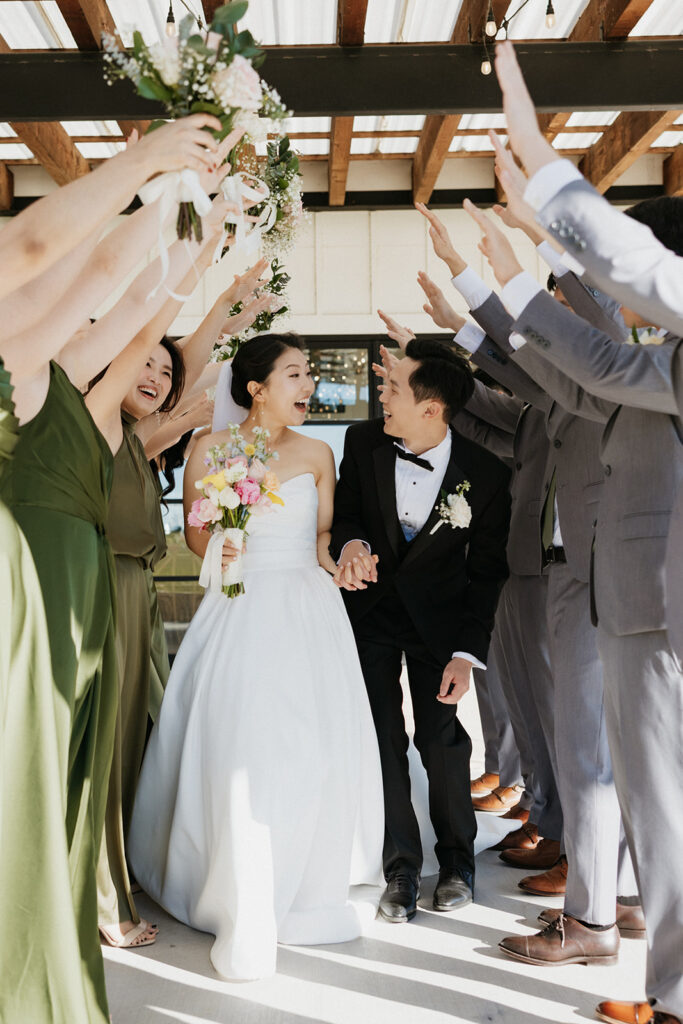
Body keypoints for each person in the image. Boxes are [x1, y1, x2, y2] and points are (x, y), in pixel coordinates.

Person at [469, 196, 683, 1024]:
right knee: (655, 808)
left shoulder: (665, 360)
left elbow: (596, 359)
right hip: (636, 603)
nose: (604, 281)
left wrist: (519, 274)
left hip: (653, 611)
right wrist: (488, 290)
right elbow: (576, 376)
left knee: (659, 808)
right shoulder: (661, 358)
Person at [128, 333, 384, 980]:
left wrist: (344, 560)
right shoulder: (210, 449)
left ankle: (303, 875)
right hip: (238, 605)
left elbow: (322, 537)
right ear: (255, 387)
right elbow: (192, 532)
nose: (309, 387)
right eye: (296, 374)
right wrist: (223, 536)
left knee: (307, 743)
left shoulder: (321, 452)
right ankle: (234, 880)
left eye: (311, 376)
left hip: (306, 607)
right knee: (239, 741)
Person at [331, 339, 510, 923]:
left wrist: (465, 654)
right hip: (371, 619)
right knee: (383, 742)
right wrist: (352, 543)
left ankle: (458, 862)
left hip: (440, 630)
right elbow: (346, 518)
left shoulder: (485, 476)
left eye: (393, 388)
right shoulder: (361, 444)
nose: (381, 394)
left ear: (431, 408)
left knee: (442, 744)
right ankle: (401, 868)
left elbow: (486, 575)